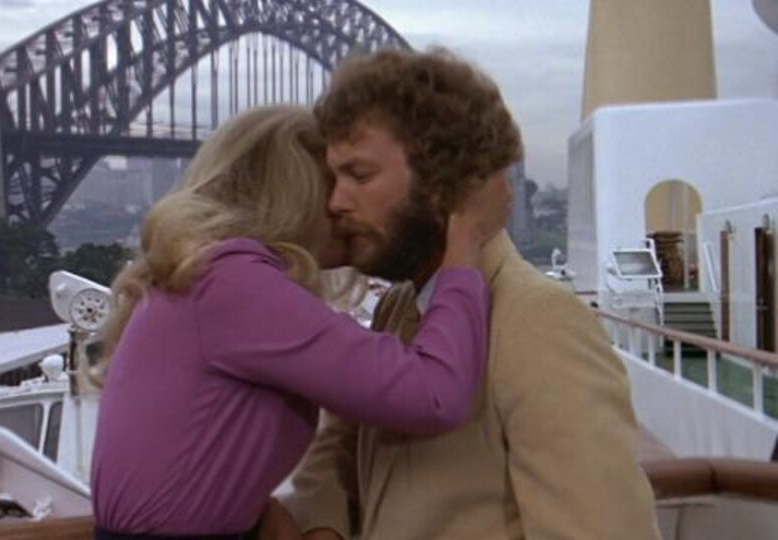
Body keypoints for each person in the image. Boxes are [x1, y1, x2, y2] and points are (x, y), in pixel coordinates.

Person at [280, 49, 661, 539]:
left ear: (442, 182)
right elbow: (339, 445)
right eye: (334, 179)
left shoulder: (537, 322)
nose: (335, 202)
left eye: (360, 176)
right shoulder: (400, 307)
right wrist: (323, 525)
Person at [90, 105, 510, 540]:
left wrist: (253, 510)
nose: (349, 205)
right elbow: (433, 395)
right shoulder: (233, 284)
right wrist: (465, 244)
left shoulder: (207, 276)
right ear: (295, 195)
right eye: (338, 186)